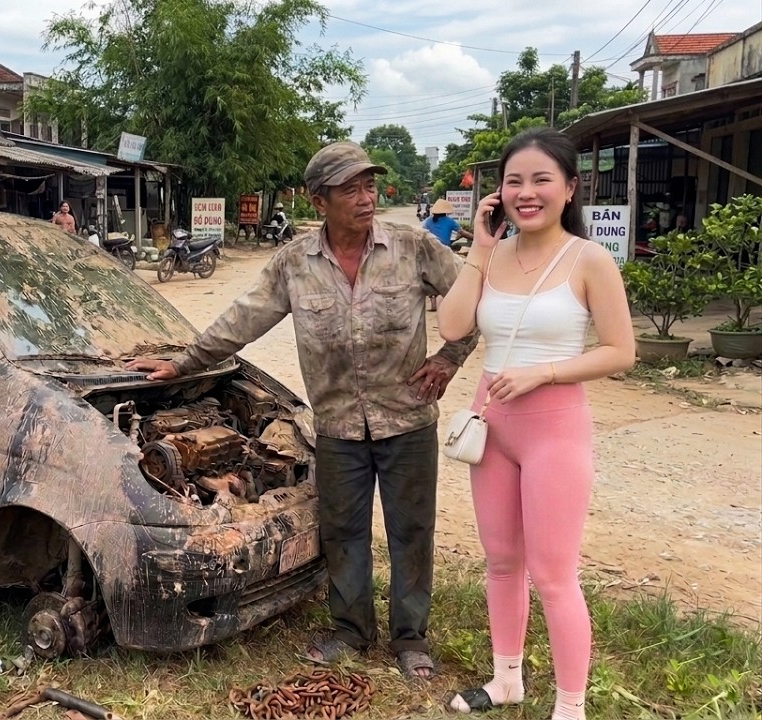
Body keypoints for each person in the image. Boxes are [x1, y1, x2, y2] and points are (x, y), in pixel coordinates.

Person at [126, 141, 478, 680]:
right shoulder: (295, 263)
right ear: (319, 201)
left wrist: (450, 357)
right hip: (337, 425)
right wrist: (184, 362)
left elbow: (474, 301)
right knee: (342, 531)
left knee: (412, 531)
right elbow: (244, 319)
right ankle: (352, 630)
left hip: (407, 419)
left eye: (369, 186)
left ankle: (411, 637)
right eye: (350, 189)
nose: (366, 198)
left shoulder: (413, 247)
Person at [437, 127, 635, 720]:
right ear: (498, 192)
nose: (526, 193)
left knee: (552, 573)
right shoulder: (492, 256)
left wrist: (543, 373)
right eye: (514, 181)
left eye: (542, 180)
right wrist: (478, 250)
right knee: (501, 560)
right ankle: (507, 680)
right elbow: (452, 327)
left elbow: (621, 351)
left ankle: (571, 705)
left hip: (554, 428)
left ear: (570, 188)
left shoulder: (588, 259)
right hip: (493, 425)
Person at [422, 200, 474, 310]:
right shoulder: (450, 221)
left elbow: (423, 234)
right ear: (446, 212)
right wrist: (476, 238)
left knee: (432, 275)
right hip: (445, 251)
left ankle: (433, 301)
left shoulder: (428, 221)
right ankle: (450, 301)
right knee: (449, 275)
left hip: (430, 251)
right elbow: (463, 233)